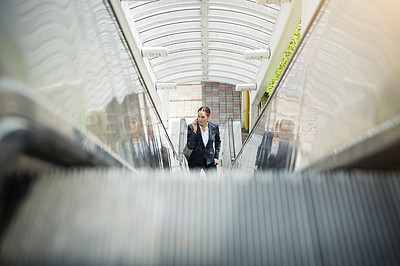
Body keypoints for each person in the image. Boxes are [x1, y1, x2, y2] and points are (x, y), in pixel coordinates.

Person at [187, 106, 221, 172]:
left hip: (210, 160)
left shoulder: (214, 127)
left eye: (203, 117)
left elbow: (218, 142)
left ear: (208, 117)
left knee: (213, 181)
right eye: (198, 116)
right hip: (195, 161)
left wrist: (216, 157)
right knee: (194, 182)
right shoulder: (191, 127)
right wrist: (195, 131)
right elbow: (190, 146)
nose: (200, 119)